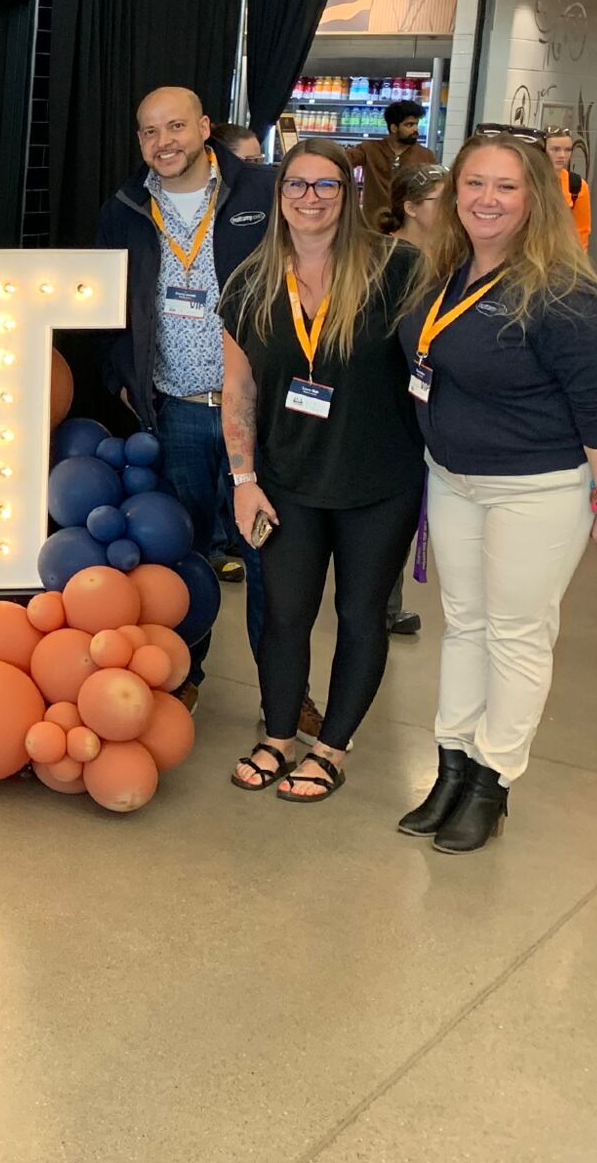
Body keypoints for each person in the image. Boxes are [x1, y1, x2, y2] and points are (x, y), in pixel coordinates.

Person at [395, 135, 597, 853]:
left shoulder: (562, 291)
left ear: (535, 199)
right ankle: (451, 762)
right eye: (473, 184)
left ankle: (493, 780)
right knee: (464, 624)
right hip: (455, 479)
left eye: (504, 186)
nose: (486, 199)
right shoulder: (447, 273)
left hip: (536, 488)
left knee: (518, 633)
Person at [220, 141, 423, 801]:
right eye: (296, 185)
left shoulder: (399, 269)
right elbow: (239, 388)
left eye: (326, 186)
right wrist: (243, 477)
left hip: (378, 481)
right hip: (286, 481)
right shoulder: (250, 281)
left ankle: (331, 748)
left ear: (351, 193)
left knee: (361, 614)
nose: (309, 198)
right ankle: (279, 735)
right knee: (284, 613)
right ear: (279, 197)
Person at [97, 86, 273, 712]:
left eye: (175, 126)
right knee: (183, 556)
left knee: (269, 559)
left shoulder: (261, 192)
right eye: (149, 132)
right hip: (176, 409)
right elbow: (106, 303)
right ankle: (185, 673)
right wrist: (125, 376)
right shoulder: (124, 207)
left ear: (204, 128)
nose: (163, 142)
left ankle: (282, 695)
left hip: (256, 412)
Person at [373, 162, 449, 637]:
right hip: (391, 404)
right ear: (410, 207)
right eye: (444, 201)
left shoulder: (447, 260)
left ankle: (386, 601)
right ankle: (380, 604)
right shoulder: (390, 262)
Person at [348, 101, 435, 232]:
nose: (415, 129)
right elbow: (341, 160)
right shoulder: (369, 149)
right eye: (409, 125)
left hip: (409, 227)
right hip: (372, 226)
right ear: (394, 128)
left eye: (416, 124)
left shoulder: (425, 156)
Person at [544, 127, 592, 251]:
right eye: (555, 149)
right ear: (543, 150)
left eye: (568, 150)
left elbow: (582, 230)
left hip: (561, 253)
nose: (562, 155)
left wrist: (577, 262)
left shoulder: (576, 185)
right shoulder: (527, 180)